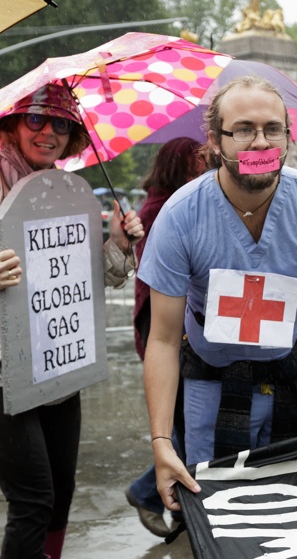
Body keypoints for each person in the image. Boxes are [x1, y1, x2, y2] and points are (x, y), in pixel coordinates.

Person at [139, 75, 297, 515]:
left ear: (287, 136)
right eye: (243, 129)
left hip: (296, 381)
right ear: (215, 140)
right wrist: (162, 442)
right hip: (212, 387)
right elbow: (162, 339)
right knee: (225, 520)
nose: (260, 142)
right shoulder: (181, 216)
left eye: (272, 129)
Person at [0, 83, 144, 559]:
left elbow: (90, 279)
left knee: (59, 497)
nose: (48, 132)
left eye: (61, 123)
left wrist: (118, 242)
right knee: (33, 500)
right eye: (36, 120)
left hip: (60, 364)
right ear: (12, 126)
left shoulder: (70, 194)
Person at [125, 137, 205, 537]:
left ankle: (180, 512)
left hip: (169, 319)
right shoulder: (163, 210)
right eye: (196, 166)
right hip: (160, 323)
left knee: (185, 421)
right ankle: (146, 492)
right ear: (179, 169)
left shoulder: (169, 204)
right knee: (186, 423)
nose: (204, 172)